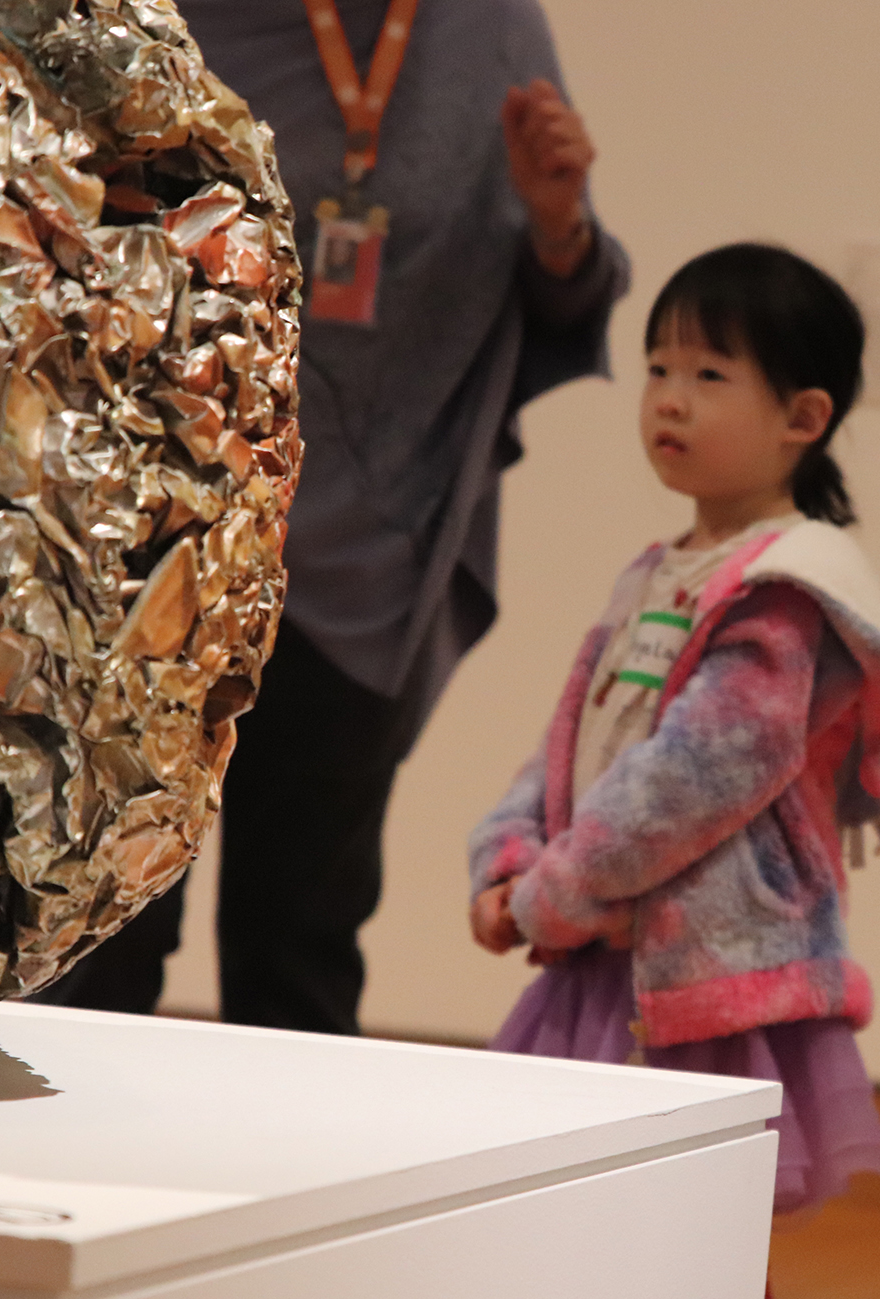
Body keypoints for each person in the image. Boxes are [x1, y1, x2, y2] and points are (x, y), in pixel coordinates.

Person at [33, 0, 630, 1032]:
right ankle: (69, 1191)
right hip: (158, 549)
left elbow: (563, 292)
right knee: (103, 930)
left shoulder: (488, 28)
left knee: (302, 938)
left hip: (367, 558)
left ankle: (287, 1191)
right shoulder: (177, 17)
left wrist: (559, 223)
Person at [466, 243, 880, 1299]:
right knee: (591, 1244)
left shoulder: (789, 585)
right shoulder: (654, 570)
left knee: (686, 1250)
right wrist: (505, 851)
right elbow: (572, 735)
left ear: (804, 415)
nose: (669, 400)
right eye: (657, 367)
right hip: (605, 957)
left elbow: (693, 777)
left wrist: (551, 892)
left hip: (699, 982)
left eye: (709, 374)